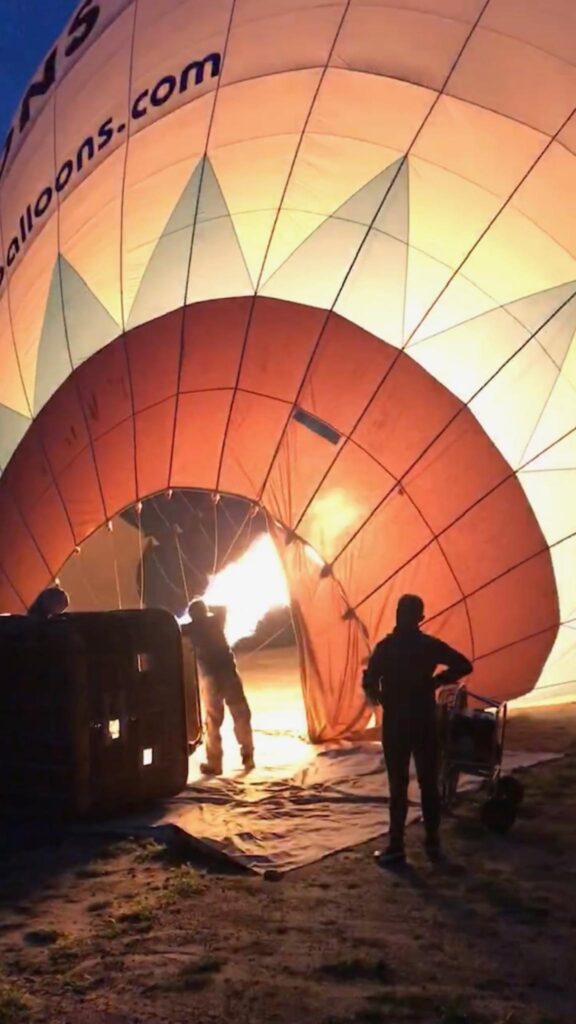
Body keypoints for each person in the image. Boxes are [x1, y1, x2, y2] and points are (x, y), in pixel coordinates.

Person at [363, 594, 472, 865]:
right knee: (428, 783)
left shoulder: (385, 647)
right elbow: (464, 664)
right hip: (424, 720)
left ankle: (397, 846)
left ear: (397, 613)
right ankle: (433, 844)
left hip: (397, 722)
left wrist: (378, 695)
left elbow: (369, 680)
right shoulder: (429, 646)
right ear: (420, 617)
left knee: (398, 785)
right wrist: (437, 681)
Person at [181, 598, 254, 776]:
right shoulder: (217, 619)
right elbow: (223, 607)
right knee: (240, 714)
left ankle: (215, 764)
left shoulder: (190, 629)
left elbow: (176, 629)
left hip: (210, 678)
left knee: (213, 721)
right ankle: (248, 756)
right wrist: (206, 608)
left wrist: (190, 617)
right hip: (229, 674)